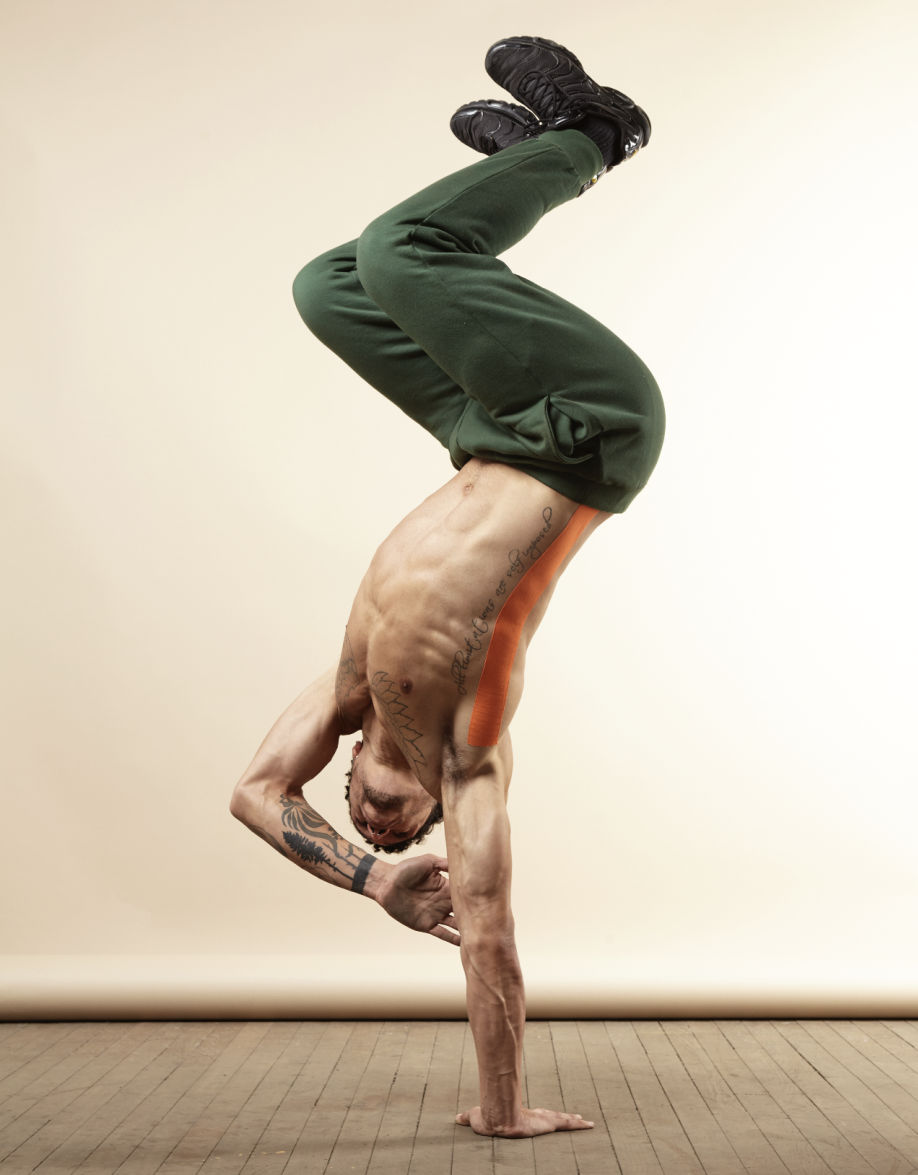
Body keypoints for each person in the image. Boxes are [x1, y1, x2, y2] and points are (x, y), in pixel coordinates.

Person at [230, 36, 664, 1138]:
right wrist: (503, 1107)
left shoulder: (348, 690)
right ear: (430, 806)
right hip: (584, 436)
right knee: (406, 251)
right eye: (397, 827)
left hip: (479, 438)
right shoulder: (470, 764)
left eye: (363, 817)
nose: (378, 818)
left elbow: (251, 794)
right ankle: (595, 132)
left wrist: (369, 884)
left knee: (330, 284)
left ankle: (519, 161)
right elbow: (491, 935)